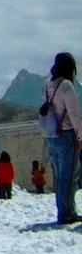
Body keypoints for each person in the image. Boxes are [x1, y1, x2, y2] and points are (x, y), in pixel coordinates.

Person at [41, 52, 82, 224]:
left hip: (52, 135)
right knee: (70, 175)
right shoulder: (66, 86)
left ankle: (65, 210)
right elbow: (74, 114)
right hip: (67, 135)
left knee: (60, 175)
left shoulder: (47, 84)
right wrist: (80, 136)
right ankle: (67, 213)